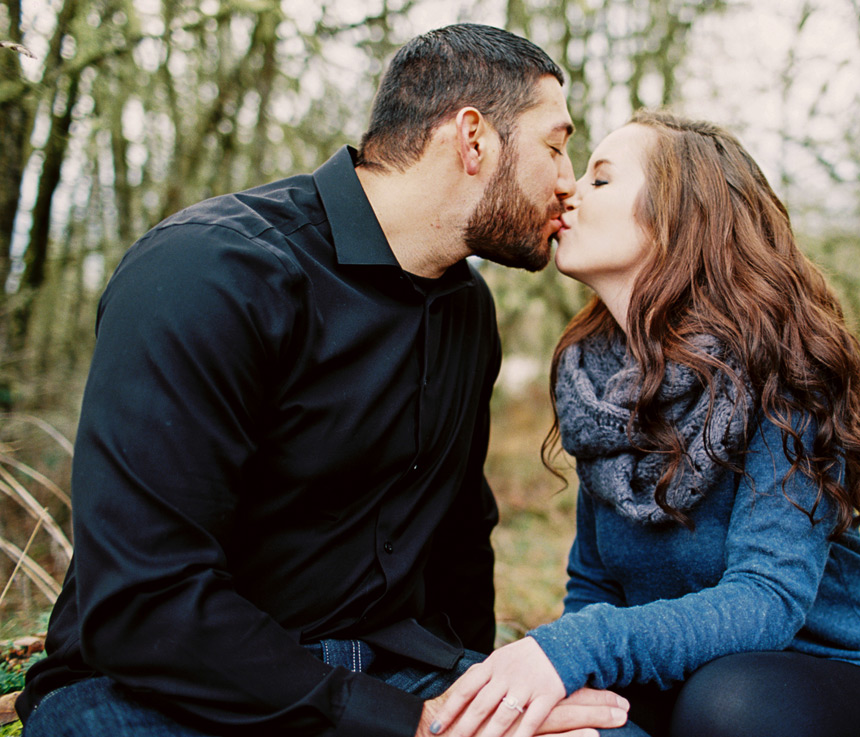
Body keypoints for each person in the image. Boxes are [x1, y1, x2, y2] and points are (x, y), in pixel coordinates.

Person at [16, 23, 631, 737]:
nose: (567, 179)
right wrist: (412, 724)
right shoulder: (208, 274)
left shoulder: (467, 308)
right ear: (473, 140)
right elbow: (144, 603)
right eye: (555, 146)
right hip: (165, 689)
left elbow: (460, 534)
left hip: (391, 667)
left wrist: (480, 692)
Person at [429, 111, 860, 737]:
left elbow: (766, 600)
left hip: (836, 679)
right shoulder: (593, 384)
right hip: (685, 682)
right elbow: (595, 585)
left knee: (730, 706)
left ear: (678, 215)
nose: (568, 190)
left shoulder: (780, 366)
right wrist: (574, 690)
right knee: (566, 724)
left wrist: (570, 648)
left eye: (601, 180)